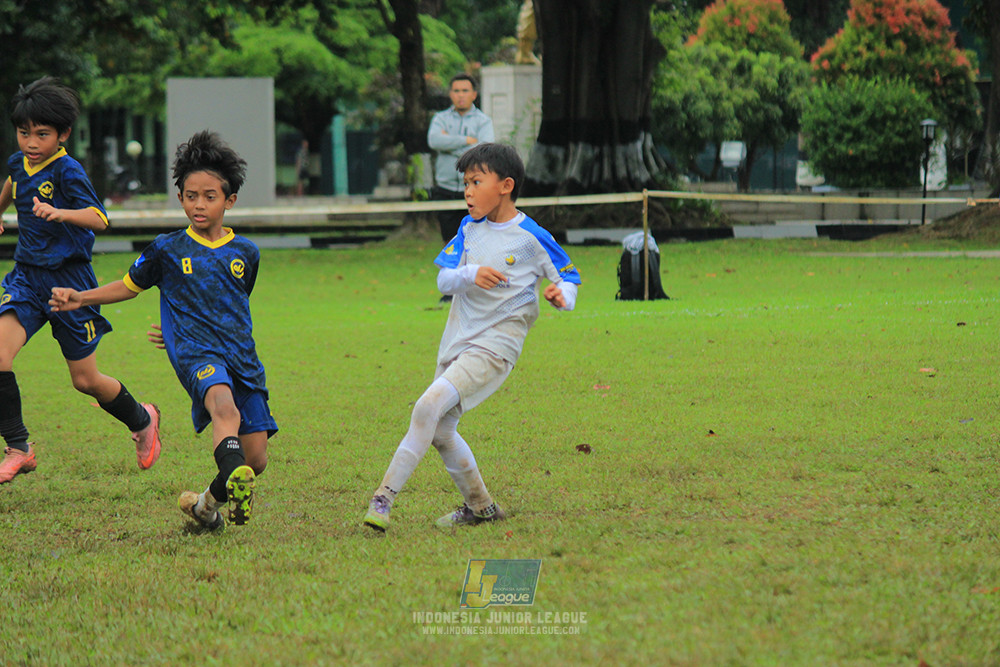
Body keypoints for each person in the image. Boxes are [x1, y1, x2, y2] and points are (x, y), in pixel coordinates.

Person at [50, 131, 276, 530]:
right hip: (199, 356)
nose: (199, 204)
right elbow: (128, 286)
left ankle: (205, 506)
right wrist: (81, 298)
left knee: (254, 458)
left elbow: (234, 303)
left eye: (209, 196)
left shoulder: (247, 253)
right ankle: (232, 484)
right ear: (180, 198)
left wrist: (170, 328)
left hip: (244, 358)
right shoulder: (166, 249)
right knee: (223, 408)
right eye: (191, 195)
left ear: (230, 200)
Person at [363, 142, 581, 532]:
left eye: (476, 181)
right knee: (443, 430)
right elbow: (443, 278)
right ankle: (481, 507)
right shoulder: (468, 229)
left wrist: (561, 297)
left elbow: (569, 277)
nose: (466, 190)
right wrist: (471, 273)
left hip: (496, 346)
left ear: (505, 185)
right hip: (458, 340)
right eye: (464, 182)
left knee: (427, 407)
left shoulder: (531, 236)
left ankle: (383, 498)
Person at [0, 76, 161, 484]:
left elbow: (99, 218)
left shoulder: (68, 170)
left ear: (63, 134)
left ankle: (143, 420)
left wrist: (61, 213)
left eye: (42, 134)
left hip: (69, 286)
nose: (31, 142)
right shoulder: (19, 163)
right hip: (25, 279)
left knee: (85, 380)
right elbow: (12, 184)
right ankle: (19, 447)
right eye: (24, 133)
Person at [428, 73, 495, 303]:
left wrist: (452, 142)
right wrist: (467, 142)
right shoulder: (439, 119)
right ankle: (451, 288)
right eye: (456, 91)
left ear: (474, 94)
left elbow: (485, 148)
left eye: (465, 91)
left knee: (476, 237)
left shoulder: (483, 120)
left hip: (475, 191)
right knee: (449, 239)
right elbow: (434, 141)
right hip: (445, 188)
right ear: (450, 94)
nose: (460, 95)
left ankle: (475, 286)